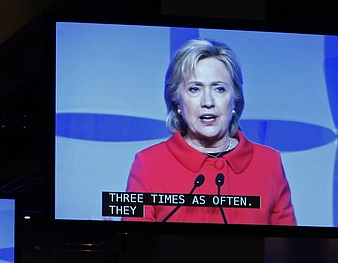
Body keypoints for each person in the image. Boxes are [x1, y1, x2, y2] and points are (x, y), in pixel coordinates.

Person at [124, 38, 296, 225]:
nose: (208, 101)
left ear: (235, 99)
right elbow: (139, 246)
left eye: (219, 89)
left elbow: (286, 248)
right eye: (195, 89)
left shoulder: (269, 163)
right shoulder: (148, 164)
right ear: (177, 101)